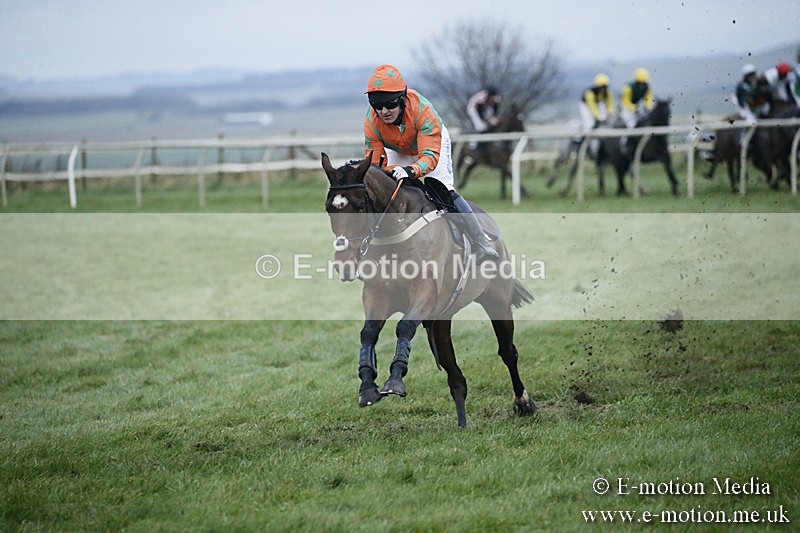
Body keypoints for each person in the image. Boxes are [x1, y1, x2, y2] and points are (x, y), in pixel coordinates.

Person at [364, 64, 499, 263]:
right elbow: (375, 163)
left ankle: (481, 242)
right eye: (377, 105)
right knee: (384, 189)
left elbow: (429, 157)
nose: (384, 111)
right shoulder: (371, 120)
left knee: (443, 189)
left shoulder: (423, 111)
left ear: (401, 99)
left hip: (430, 146)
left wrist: (410, 170)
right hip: (398, 148)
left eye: (389, 105)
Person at [578, 73, 615, 157]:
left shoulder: (608, 92)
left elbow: (610, 104)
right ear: (597, 87)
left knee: (610, 122)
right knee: (589, 124)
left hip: (598, 104)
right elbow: (593, 108)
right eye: (601, 87)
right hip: (586, 106)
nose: (603, 89)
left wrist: (610, 113)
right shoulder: (589, 93)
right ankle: (582, 144)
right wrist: (602, 118)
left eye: (605, 87)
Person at [619, 68, 654, 154]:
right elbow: (626, 102)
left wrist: (648, 107)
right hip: (627, 109)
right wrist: (635, 108)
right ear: (637, 81)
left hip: (638, 105)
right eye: (640, 83)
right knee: (631, 124)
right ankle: (625, 142)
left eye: (644, 83)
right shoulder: (627, 88)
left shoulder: (647, 87)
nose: (642, 86)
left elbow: (648, 99)